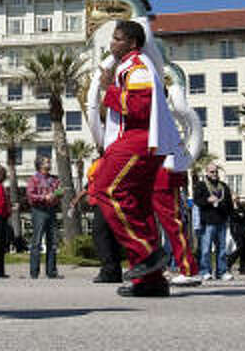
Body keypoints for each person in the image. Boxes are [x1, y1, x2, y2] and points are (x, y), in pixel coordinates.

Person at [90, 20, 180, 297]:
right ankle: (151, 281)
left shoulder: (136, 66)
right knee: (138, 206)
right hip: (142, 141)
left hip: (136, 140)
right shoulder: (133, 66)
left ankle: (147, 254)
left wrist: (109, 89)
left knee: (107, 190)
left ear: (132, 43)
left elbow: (138, 108)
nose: (111, 43)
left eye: (117, 39)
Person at [69, 155, 123, 283]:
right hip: (102, 201)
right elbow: (88, 186)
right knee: (109, 236)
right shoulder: (101, 161)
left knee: (101, 235)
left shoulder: (106, 160)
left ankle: (109, 271)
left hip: (104, 201)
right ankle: (114, 271)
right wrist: (76, 199)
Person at [153, 159, 199, 285]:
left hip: (164, 178)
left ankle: (189, 270)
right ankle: (151, 270)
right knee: (148, 228)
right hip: (150, 177)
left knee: (174, 226)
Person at [193, 163, 233, 281]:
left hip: (221, 220)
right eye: (211, 172)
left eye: (216, 171)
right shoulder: (201, 185)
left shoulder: (223, 186)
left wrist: (224, 209)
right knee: (205, 249)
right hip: (207, 221)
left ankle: (222, 271)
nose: (214, 174)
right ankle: (205, 271)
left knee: (222, 249)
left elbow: (229, 204)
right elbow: (197, 201)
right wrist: (207, 200)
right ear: (207, 172)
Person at [26, 155, 62, 279]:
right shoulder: (34, 179)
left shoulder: (54, 179)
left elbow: (59, 191)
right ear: (40, 165)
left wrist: (57, 194)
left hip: (51, 210)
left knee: (52, 242)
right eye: (47, 161)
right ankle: (34, 272)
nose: (49, 163)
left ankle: (51, 271)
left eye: (49, 161)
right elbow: (30, 195)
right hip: (39, 211)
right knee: (36, 241)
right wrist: (44, 197)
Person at [227, 194, 245, 276]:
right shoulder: (230, 208)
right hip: (235, 229)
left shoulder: (242, 208)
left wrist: (241, 216)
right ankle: (228, 263)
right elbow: (233, 217)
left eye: (237, 198)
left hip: (243, 229)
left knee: (243, 249)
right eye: (235, 198)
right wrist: (239, 216)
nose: (236, 200)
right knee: (239, 247)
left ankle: (243, 268)